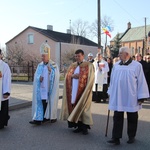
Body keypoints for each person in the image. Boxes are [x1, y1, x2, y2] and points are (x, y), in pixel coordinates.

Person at [107, 47, 149, 145]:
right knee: (117, 116)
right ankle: (116, 137)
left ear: (127, 54)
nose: (119, 55)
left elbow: (141, 81)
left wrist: (141, 96)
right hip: (118, 96)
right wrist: (110, 92)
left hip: (131, 96)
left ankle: (131, 136)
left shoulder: (137, 65)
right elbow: (112, 81)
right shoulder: (116, 65)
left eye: (120, 53)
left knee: (132, 117)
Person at [60, 49, 94, 135]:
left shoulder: (89, 65)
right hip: (74, 91)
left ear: (83, 56)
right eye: (76, 56)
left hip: (84, 90)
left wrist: (80, 76)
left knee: (84, 108)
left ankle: (85, 127)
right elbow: (67, 76)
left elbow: (91, 77)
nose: (77, 58)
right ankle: (78, 126)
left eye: (79, 56)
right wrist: (71, 76)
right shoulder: (72, 65)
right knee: (75, 106)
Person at [29, 42, 60, 125]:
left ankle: (50, 117)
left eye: (44, 56)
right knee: (41, 102)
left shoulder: (53, 65)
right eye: (42, 56)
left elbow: (57, 76)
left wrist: (51, 71)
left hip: (49, 88)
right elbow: (36, 76)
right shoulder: (40, 65)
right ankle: (38, 118)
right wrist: (39, 77)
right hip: (41, 88)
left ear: (48, 56)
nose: (42, 57)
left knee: (49, 102)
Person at [0, 49, 11, 129]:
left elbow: (7, 79)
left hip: (1, 91)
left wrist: (6, 92)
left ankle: (1, 123)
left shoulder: (4, 66)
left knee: (2, 107)